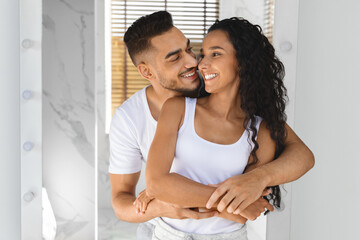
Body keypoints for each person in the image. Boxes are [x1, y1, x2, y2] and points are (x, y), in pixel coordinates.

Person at [109, 11, 314, 239]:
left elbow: (246, 208)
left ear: (243, 62)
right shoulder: (141, 115)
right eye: (175, 58)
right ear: (147, 72)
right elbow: (132, 194)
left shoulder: (259, 127)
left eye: (190, 50)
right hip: (167, 230)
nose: (195, 63)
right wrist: (162, 203)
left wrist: (258, 179)